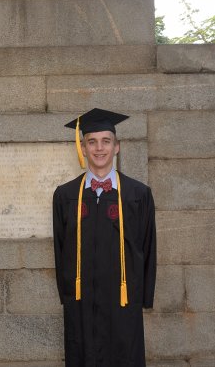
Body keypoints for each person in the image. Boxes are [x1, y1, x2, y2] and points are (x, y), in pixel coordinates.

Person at [52, 108, 157, 366]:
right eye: (92, 142)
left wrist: (143, 295)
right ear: (84, 148)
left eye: (106, 141)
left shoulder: (138, 194)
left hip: (123, 300)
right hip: (81, 300)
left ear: (117, 147)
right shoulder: (65, 195)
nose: (99, 148)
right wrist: (68, 293)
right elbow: (60, 248)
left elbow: (148, 247)